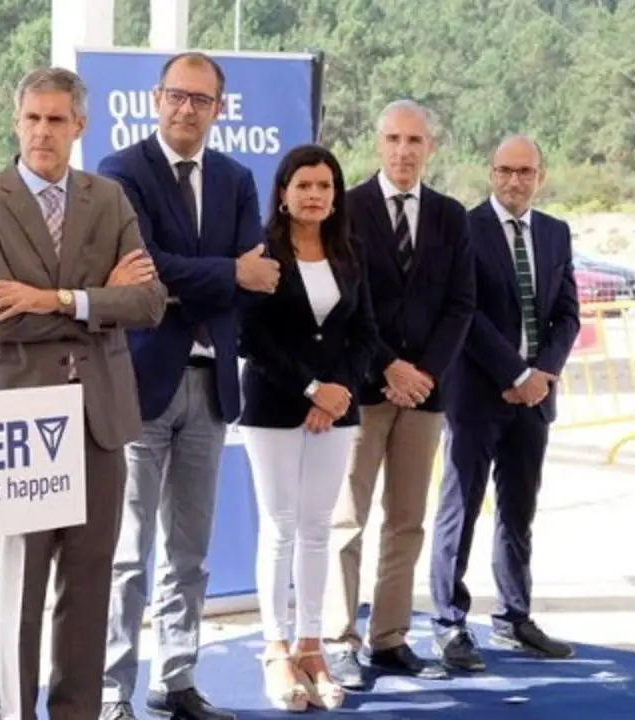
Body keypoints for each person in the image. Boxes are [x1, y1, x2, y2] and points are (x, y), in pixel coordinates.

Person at [0, 66, 167, 720]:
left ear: (80, 125)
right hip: (15, 425)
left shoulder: (109, 198)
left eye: (56, 119)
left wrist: (55, 299)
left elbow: (149, 303)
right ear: (16, 121)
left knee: (89, 583)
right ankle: (13, 713)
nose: (43, 131)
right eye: (33, 118)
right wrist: (100, 299)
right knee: (19, 589)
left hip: (97, 422)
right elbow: (1, 318)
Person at [95, 51, 275, 720]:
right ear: (156, 99)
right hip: (143, 383)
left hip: (211, 384)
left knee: (190, 553)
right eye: (177, 95)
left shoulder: (236, 179)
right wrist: (225, 274)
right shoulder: (121, 171)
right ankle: (113, 689)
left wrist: (199, 280)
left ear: (218, 109)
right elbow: (145, 268)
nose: (186, 109)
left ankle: (176, 679)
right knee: (128, 554)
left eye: (201, 99)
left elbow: (255, 276)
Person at [322, 99, 475, 687]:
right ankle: (339, 639)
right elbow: (345, 301)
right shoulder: (348, 209)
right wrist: (389, 366)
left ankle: (389, 638)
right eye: (393, 139)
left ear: (430, 147)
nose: (404, 151)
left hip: (425, 396)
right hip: (363, 387)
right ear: (378, 143)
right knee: (347, 520)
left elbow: (461, 303)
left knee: (407, 521)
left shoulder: (451, 216)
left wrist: (424, 373)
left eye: (415, 140)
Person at [429, 135, 579, 671]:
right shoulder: (465, 229)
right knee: (460, 510)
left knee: (519, 512)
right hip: (476, 395)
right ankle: (449, 623)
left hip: (534, 400)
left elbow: (568, 314)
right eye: (505, 171)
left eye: (525, 172)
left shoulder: (556, 232)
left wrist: (542, 375)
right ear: (490, 173)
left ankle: (515, 618)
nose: (514, 181)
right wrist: (514, 373)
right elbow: (465, 313)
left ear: (541, 176)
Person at [237, 144, 378, 712]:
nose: (314, 195)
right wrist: (311, 388)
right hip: (273, 404)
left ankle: (312, 646)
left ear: (335, 195)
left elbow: (365, 332)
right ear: (283, 193)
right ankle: (276, 649)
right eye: (304, 186)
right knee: (280, 526)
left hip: (338, 409)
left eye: (324, 186)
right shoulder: (261, 251)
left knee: (319, 527)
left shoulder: (351, 251)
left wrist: (337, 389)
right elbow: (251, 336)